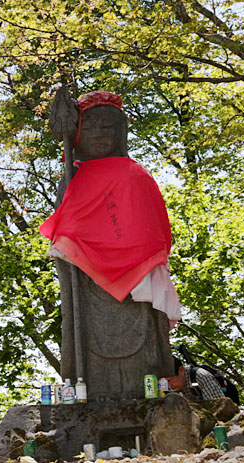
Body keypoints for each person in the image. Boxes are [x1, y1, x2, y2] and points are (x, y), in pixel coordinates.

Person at [40, 90, 181, 401]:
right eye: (90, 129)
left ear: (121, 132)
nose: (100, 136)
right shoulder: (72, 179)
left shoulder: (134, 174)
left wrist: (140, 258)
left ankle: (150, 388)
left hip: (135, 275)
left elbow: (152, 227)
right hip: (89, 278)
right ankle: (87, 390)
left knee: (142, 331)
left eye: (108, 128)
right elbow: (66, 232)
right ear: (77, 135)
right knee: (86, 333)